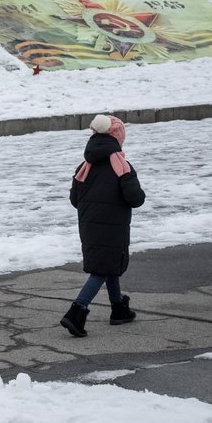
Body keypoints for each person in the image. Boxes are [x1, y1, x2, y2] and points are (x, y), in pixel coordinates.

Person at [60, 114, 146, 337]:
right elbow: (136, 199)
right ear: (118, 138)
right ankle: (76, 312)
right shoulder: (121, 166)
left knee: (108, 265)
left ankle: (119, 309)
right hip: (113, 227)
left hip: (88, 225)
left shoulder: (84, 166)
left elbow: (74, 200)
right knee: (102, 269)